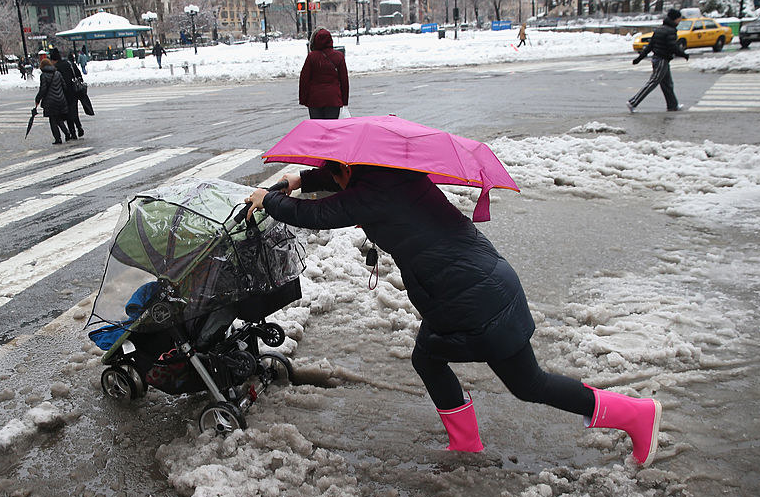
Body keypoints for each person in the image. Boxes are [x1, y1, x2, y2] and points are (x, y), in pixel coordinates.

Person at [243, 161, 662, 467]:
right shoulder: (393, 174)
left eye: (332, 174)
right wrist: (302, 177)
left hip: (468, 297)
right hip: (488, 279)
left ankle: (632, 416)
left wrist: (270, 199)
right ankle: (630, 416)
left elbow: (319, 215)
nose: (336, 180)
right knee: (515, 379)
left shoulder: (370, 193)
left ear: (347, 170)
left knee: (485, 372)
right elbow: (340, 183)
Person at [628, 8, 689, 113]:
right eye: (679, 18)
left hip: (659, 59)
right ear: (675, 19)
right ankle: (633, 102)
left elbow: (649, 46)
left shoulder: (660, 29)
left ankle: (673, 105)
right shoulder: (670, 31)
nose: (680, 21)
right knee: (653, 82)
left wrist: (639, 58)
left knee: (667, 84)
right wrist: (683, 54)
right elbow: (672, 47)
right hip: (662, 60)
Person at [299, 28, 349, 120]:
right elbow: (344, 80)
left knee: (317, 129)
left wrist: (304, 99)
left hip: (315, 100)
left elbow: (304, 79)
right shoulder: (339, 56)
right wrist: (344, 101)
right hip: (333, 99)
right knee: (331, 128)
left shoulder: (312, 57)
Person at [34, 57, 69, 144]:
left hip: (50, 102)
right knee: (59, 118)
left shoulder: (43, 76)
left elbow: (43, 89)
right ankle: (67, 132)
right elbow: (64, 86)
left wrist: (37, 99)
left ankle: (58, 138)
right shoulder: (57, 73)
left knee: (52, 120)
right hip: (60, 100)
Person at [49, 47, 82, 139]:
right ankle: (79, 127)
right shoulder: (69, 64)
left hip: (63, 93)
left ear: (53, 60)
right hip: (74, 91)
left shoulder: (55, 69)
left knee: (68, 114)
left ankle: (73, 133)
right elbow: (79, 75)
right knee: (74, 111)